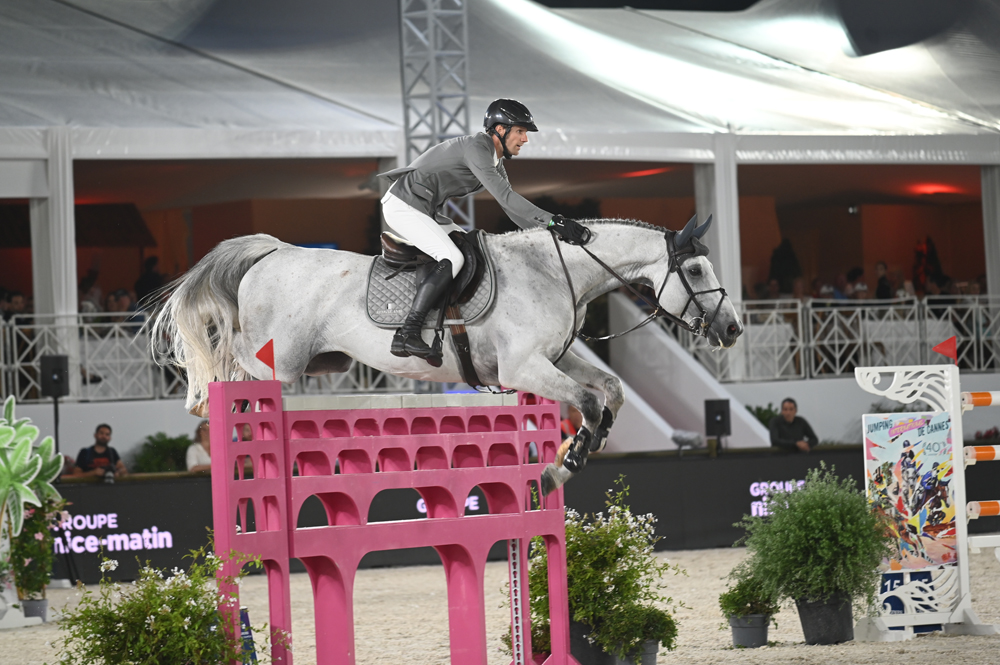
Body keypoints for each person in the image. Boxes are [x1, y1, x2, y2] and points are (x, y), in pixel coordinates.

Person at [378, 98, 591, 363]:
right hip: (403, 205)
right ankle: (408, 331)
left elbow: (510, 207)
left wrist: (551, 234)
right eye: (520, 131)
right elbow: (508, 199)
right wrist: (554, 221)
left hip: (425, 210)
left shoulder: (495, 161)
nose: (525, 139)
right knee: (452, 258)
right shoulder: (477, 149)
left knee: (473, 250)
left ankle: (453, 324)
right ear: (500, 129)